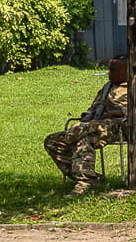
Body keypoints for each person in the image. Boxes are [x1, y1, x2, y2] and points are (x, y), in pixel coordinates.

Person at [45, 57, 128, 193]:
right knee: (52, 141)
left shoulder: (135, 88)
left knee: (80, 131)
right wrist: (89, 114)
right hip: (95, 127)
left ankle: (86, 183)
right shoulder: (107, 87)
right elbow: (95, 106)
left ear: (127, 71)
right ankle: (89, 178)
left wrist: (114, 113)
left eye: (113, 70)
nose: (109, 73)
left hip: (118, 127)